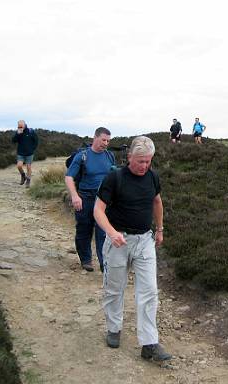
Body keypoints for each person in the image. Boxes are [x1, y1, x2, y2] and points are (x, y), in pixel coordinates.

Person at [93, 136, 172, 362]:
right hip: (119, 240)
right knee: (114, 288)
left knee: (149, 292)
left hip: (144, 241)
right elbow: (98, 210)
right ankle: (114, 328)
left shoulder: (152, 177)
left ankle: (149, 344)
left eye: (148, 161)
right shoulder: (114, 178)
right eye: (140, 161)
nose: (144, 166)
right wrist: (111, 232)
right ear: (129, 158)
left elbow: (157, 202)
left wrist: (160, 229)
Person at [65, 127, 115, 272]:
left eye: (108, 141)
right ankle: (86, 259)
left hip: (103, 200)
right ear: (95, 137)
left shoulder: (110, 156)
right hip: (85, 198)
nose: (106, 143)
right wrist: (75, 196)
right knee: (84, 230)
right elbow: (69, 177)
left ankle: (103, 262)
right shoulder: (82, 156)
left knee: (103, 231)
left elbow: (113, 177)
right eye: (103, 140)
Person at [12, 120, 38, 188]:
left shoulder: (30, 131)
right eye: (19, 126)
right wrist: (18, 134)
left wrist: (32, 149)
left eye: (21, 125)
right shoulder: (18, 132)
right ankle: (23, 176)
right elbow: (13, 141)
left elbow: (36, 141)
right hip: (20, 153)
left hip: (29, 153)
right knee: (19, 166)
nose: (20, 127)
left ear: (24, 125)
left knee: (28, 167)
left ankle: (28, 181)